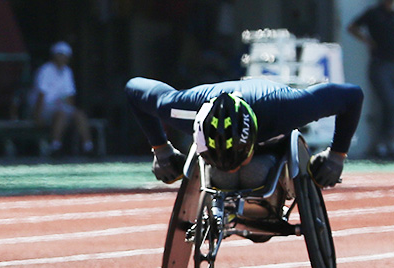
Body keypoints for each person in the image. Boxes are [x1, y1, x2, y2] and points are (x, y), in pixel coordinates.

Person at [125, 77, 364, 189]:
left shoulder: (289, 109)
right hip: (213, 107)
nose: (232, 168)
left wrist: (337, 155)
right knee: (229, 178)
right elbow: (133, 88)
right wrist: (161, 149)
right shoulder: (180, 110)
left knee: (254, 173)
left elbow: (353, 95)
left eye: (237, 160)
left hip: (270, 121)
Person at [348, 0, 394, 159]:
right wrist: (367, 41)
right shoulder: (374, 13)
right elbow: (352, 27)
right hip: (380, 64)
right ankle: (383, 143)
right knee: (389, 103)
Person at [30, 41, 94, 156]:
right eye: (60, 54)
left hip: (59, 107)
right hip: (44, 107)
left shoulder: (67, 72)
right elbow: (41, 95)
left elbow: (69, 96)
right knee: (62, 114)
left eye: (65, 55)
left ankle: (88, 147)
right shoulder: (45, 70)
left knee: (80, 115)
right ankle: (55, 147)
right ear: (54, 55)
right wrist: (37, 116)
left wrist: (70, 110)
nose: (62, 57)